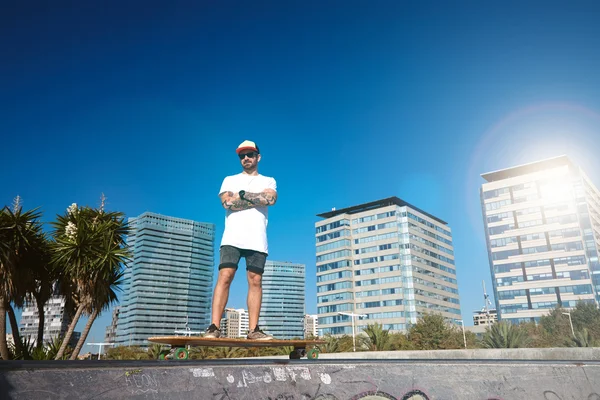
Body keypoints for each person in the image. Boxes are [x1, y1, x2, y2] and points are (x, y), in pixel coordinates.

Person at [205, 140, 278, 340]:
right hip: (232, 237)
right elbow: (228, 203)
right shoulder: (229, 179)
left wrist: (242, 197)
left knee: (256, 280)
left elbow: (270, 199)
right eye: (242, 155)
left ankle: (253, 330)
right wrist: (255, 198)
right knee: (225, 276)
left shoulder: (269, 180)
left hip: (257, 238)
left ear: (258, 157)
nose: (246, 158)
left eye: (250, 154)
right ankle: (214, 327)